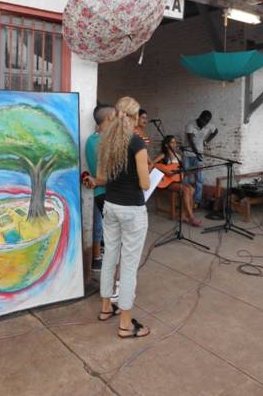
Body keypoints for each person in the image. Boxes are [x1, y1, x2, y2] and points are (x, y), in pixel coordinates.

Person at [91, 96, 150, 339]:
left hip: (111, 206)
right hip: (132, 210)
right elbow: (145, 184)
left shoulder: (105, 141)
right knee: (128, 265)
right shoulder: (137, 143)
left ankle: (106, 308)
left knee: (110, 258)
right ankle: (126, 324)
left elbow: (102, 178)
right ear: (135, 118)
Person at [84, 104, 116, 270]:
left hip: (99, 193)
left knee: (107, 233)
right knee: (115, 238)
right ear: (109, 118)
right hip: (109, 193)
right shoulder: (106, 142)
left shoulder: (91, 140)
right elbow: (112, 174)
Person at [153, 135, 202, 227]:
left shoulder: (178, 156)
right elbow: (153, 164)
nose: (174, 144)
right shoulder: (163, 155)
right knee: (186, 190)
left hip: (175, 180)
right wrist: (166, 171)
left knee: (192, 189)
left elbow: (180, 172)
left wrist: (191, 172)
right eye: (172, 142)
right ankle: (191, 217)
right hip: (166, 182)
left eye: (175, 142)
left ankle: (183, 215)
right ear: (166, 145)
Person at [183, 110, 218, 207]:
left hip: (199, 154)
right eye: (204, 121)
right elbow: (191, 142)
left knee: (199, 179)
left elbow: (216, 131)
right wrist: (196, 153)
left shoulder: (209, 125)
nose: (205, 123)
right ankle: (185, 198)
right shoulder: (190, 125)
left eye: (207, 122)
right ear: (200, 117)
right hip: (187, 155)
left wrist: (206, 141)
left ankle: (197, 201)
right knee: (186, 178)